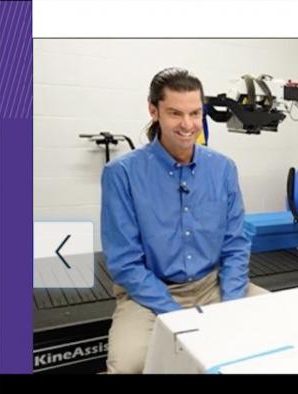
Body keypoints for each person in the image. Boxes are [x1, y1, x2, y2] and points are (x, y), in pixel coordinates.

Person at [101, 67, 260, 373]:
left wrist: (232, 302)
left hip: (213, 285)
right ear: (153, 110)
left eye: (195, 113)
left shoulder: (223, 168)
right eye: (175, 113)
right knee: (128, 364)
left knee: (275, 328)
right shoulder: (122, 174)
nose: (188, 125)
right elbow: (125, 262)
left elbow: (236, 244)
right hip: (148, 295)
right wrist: (178, 316)